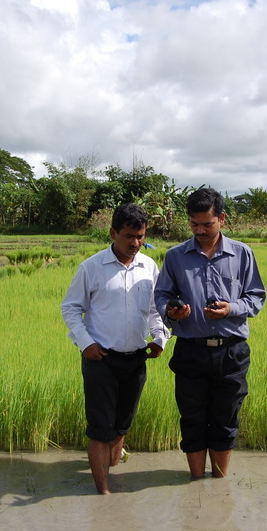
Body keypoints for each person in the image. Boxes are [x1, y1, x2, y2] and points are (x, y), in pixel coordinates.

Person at [154, 187, 266, 479]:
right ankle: (196, 482)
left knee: (226, 419)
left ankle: (218, 484)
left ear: (222, 219)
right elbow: (162, 295)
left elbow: (256, 297)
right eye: (194, 224)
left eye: (207, 224)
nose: (200, 230)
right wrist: (173, 311)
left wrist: (230, 308)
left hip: (231, 351)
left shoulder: (242, 254)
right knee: (191, 418)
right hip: (191, 350)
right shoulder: (176, 256)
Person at [61, 203, 168, 495]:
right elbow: (71, 308)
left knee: (121, 425)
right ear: (113, 233)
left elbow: (155, 310)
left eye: (141, 236)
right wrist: (86, 344)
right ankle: (103, 492)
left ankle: (112, 474)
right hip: (101, 359)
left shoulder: (149, 267)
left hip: (135, 359)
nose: (135, 243)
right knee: (100, 428)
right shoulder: (92, 267)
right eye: (129, 236)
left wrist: (159, 338)